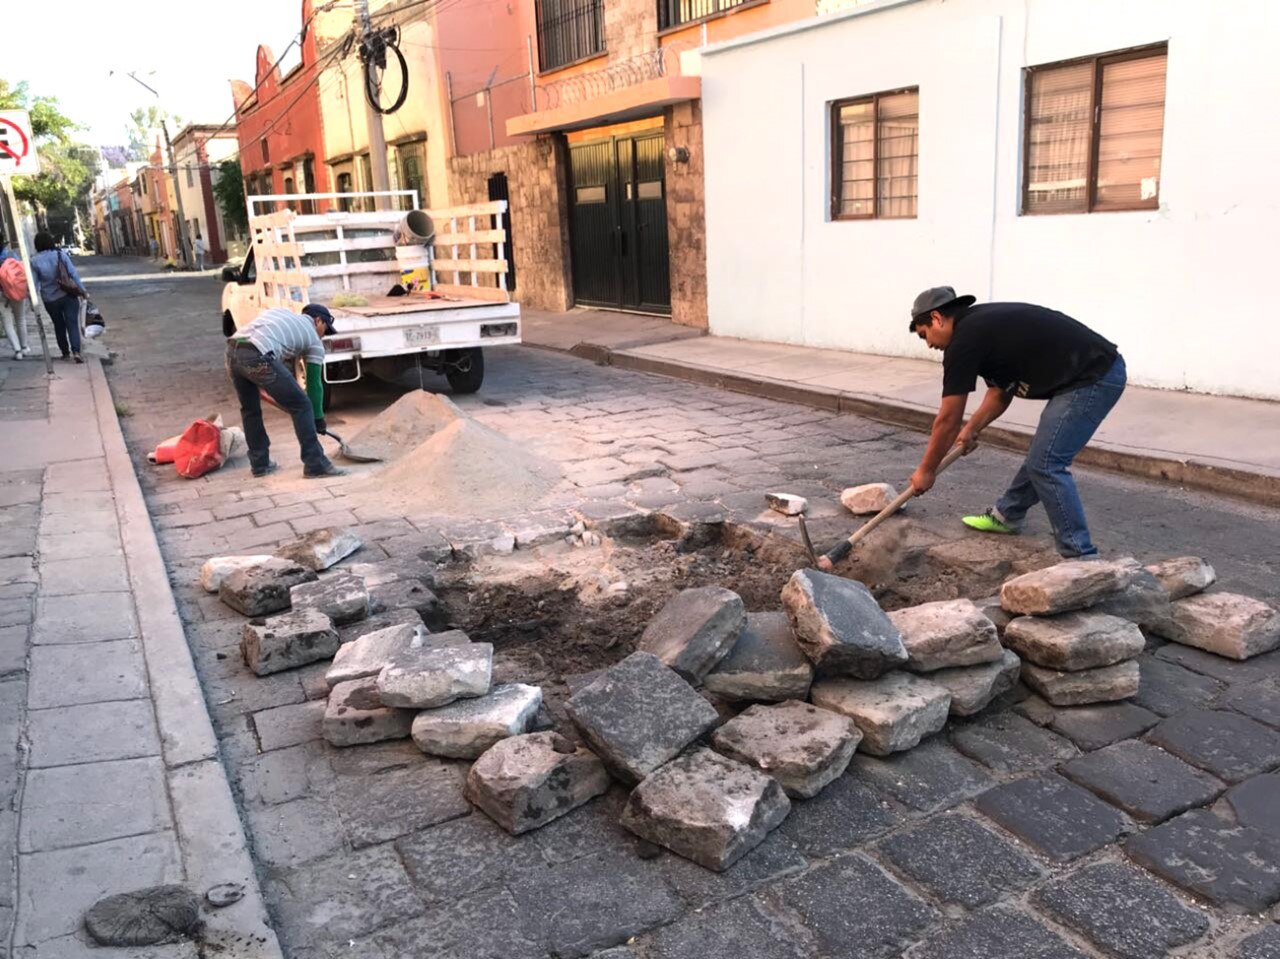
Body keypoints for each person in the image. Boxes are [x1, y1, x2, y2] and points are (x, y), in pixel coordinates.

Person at [907, 286, 1126, 559]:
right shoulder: (979, 328)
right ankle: (1008, 515)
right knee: (1042, 456)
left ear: (936, 318)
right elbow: (1000, 393)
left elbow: (948, 418)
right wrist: (972, 428)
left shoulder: (965, 339)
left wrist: (927, 470)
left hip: (1095, 377)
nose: (929, 344)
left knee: (1046, 464)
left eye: (924, 335)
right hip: (1087, 375)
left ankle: (1082, 557)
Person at [226, 303, 345, 479]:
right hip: (258, 353)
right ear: (318, 320)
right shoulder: (314, 340)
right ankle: (315, 464)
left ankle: (260, 464)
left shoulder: (281, 313)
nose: (323, 335)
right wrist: (318, 418)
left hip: (233, 349)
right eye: (325, 330)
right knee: (302, 405)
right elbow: (314, 385)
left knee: (250, 409)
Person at [30, 233, 86, 363]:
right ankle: (76, 351)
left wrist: (32, 300)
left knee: (58, 325)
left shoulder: (34, 261)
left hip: (50, 299)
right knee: (72, 323)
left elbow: (34, 283)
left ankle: (65, 353)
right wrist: (83, 290)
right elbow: (73, 274)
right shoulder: (60, 255)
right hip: (68, 294)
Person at [0, 239, 31, 359]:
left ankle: (17, 351)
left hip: (1, 294)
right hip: (17, 290)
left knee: (7, 322)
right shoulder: (11, 254)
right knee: (20, 319)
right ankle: (25, 347)